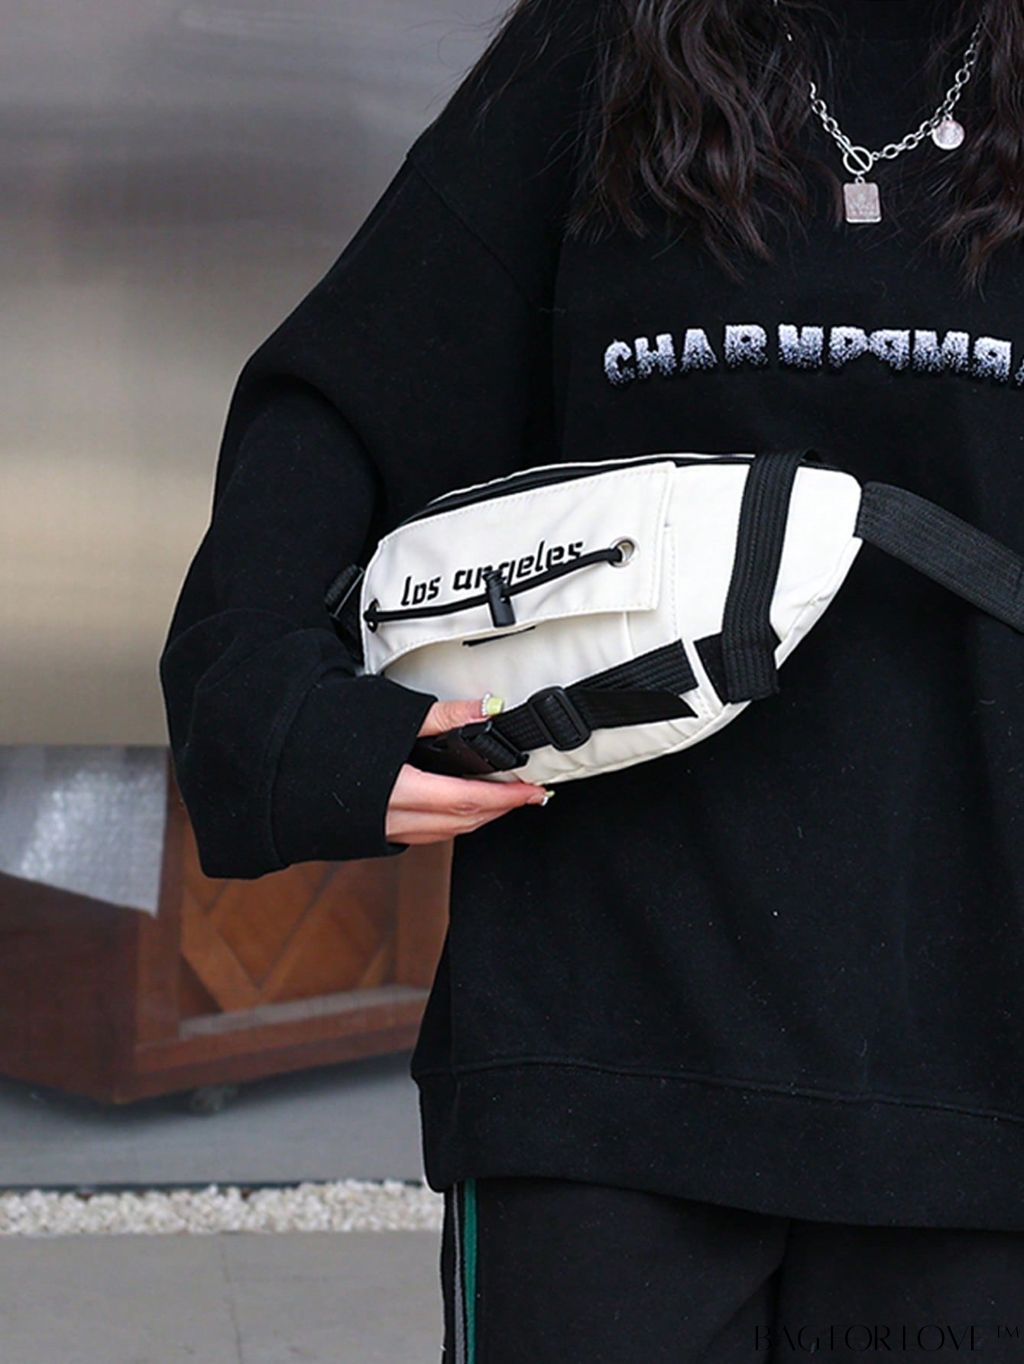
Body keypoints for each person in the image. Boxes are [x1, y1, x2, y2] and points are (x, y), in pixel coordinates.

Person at [158, 0, 1024, 1357]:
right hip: (602, 1037)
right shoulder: (606, 48)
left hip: (985, 1055)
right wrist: (288, 714)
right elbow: (342, 396)